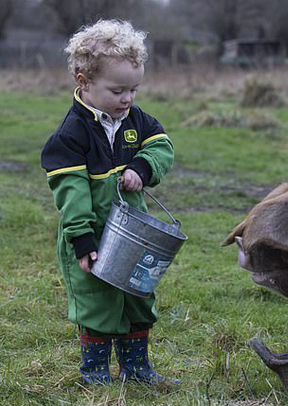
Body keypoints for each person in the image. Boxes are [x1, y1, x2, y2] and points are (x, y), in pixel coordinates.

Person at [41, 19, 176, 385]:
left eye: (134, 89)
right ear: (83, 82)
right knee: (97, 302)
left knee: (138, 297)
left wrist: (143, 168)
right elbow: (71, 194)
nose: (128, 99)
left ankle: (137, 369)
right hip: (93, 236)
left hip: (133, 235)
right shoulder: (71, 134)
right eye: (118, 90)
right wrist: (82, 240)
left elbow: (162, 146)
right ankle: (95, 372)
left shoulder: (136, 120)